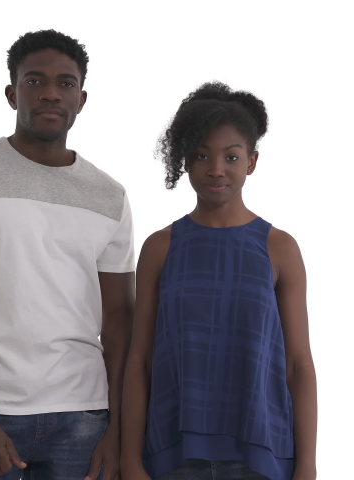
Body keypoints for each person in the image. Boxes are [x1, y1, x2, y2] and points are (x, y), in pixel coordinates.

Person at [0, 30, 135, 480]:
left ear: (82, 98)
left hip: (84, 418)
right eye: (35, 81)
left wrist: (116, 432)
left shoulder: (110, 196)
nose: (51, 93)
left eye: (65, 83)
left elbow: (118, 321)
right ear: (12, 93)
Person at [120, 82, 317, 480]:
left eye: (231, 156)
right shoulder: (161, 247)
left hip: (262, 459)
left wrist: (307, 467)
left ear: (252, 161)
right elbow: (139, 360)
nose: (215, 169)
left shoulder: (280, 248)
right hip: (172, 457)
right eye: (201, 156)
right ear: (184, 161)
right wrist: (130, 459)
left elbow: (299, 365)